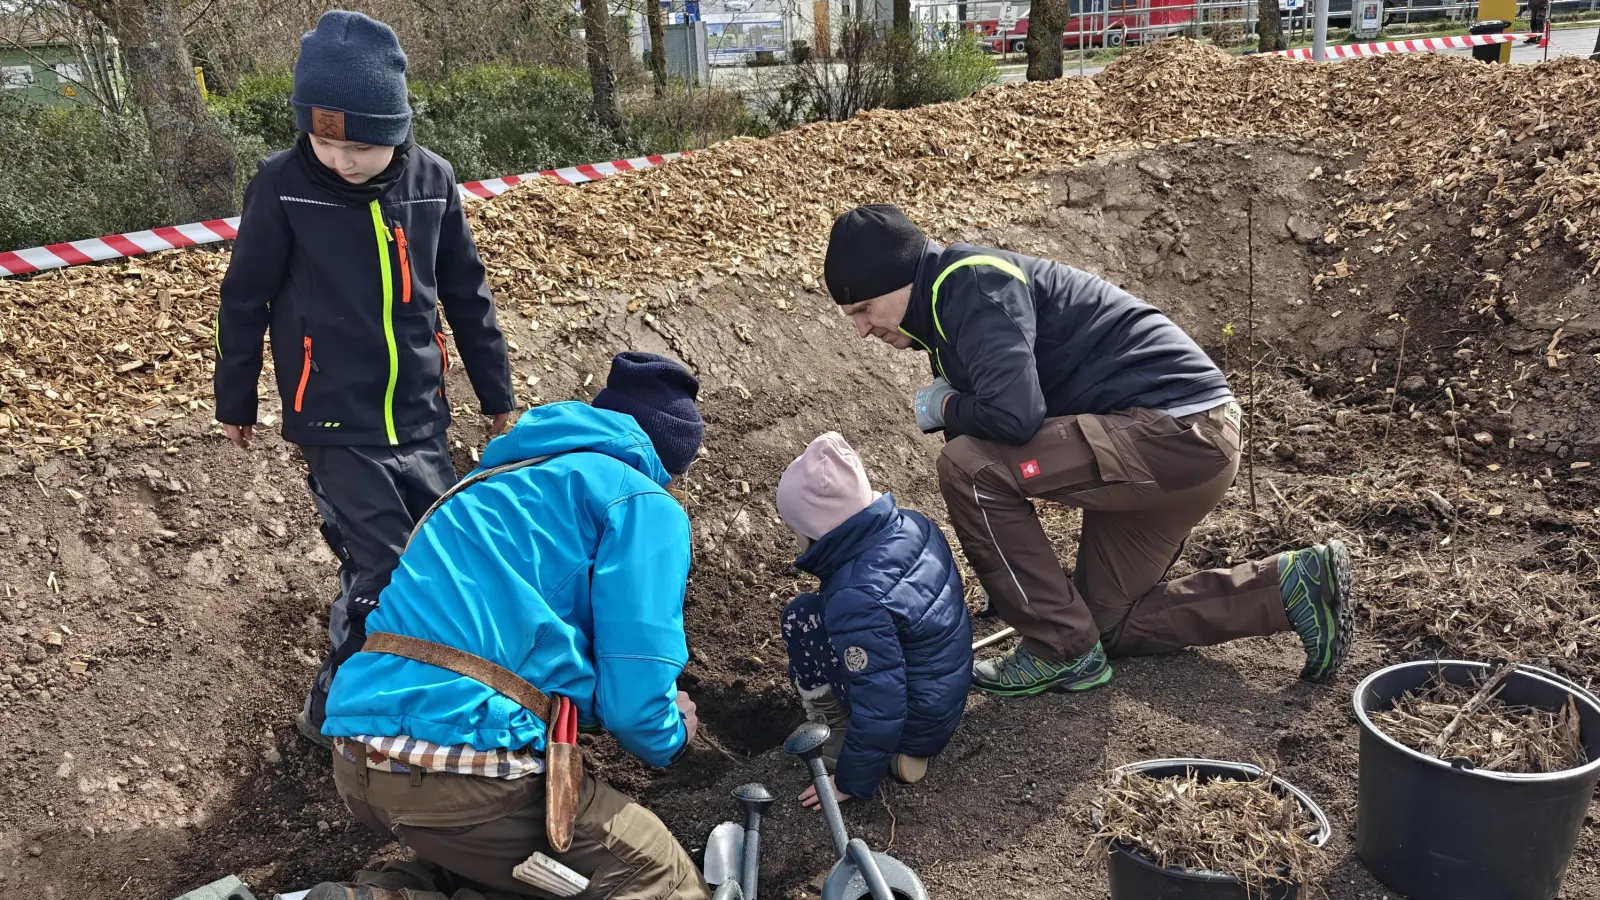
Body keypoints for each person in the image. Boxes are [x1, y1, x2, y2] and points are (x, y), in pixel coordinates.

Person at [821, 205, 1355, 698]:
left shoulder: (970, 285)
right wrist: (1007, 575)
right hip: (1182, 446)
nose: (863, 329)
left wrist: (946, 407)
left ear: (902, 277)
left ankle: (1056, 650)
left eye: (866, 308)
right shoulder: (944, 307)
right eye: (851, 316)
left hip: (1175, 432)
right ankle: (1289, 588)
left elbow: (1013, 417)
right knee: (1105, 626)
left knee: (969, 469)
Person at [212, 10, 515, 744]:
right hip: (335, 424)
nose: (342, 160)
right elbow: (242, 297)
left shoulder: (432, 181)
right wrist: (236, 397)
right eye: (325, 141)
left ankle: (424, 699)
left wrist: (496, 391)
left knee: (444, 562)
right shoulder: (283, 187)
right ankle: (331, 713)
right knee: (381, 572)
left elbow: (467, 295)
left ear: (395, 130)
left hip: (420, 415)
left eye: (360, 146)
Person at [308, 352, 710, 900]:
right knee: (655, 874)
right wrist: (673, 737)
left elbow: (516, 649)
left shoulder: (489, 483)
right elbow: (634, 698)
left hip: (358, 759)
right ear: (667, 462)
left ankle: (388, 892)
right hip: (461, 769)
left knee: (505, 861)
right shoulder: (641, 501)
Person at [774, 432, 971, 811]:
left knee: (800, 617)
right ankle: (895, 746)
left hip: (913, 720)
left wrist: (852, 778)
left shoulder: (854, 595)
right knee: (824, 617)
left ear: (817, 528)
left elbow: (882, 698)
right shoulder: (913, 524)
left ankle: (845, 735)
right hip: (942, 694)